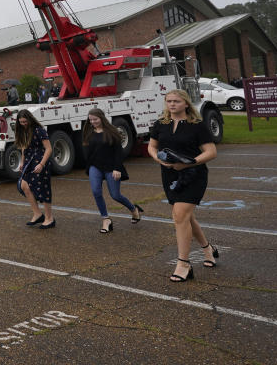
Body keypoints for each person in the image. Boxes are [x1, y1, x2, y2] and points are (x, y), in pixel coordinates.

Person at [147, 89, 218, 282]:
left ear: (186, 104)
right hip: (169, 175)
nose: (172, 104)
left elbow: (211, 152)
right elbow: (152, 146)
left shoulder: (197, 126)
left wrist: (190, 162)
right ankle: (207, 248)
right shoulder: (160, 124)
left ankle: (183, 264)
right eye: (169, 101)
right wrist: (158, 160)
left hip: (193, 174)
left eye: (176, 101)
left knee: (179, 215)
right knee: (185, 217)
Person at [82, 108, 143, 233]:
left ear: (102, 118)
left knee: (115, 195)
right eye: (90, 120)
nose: (92, 122)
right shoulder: (88, 131)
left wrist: (117, 168)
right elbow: (87, 150)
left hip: (111, 167)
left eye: (95, 119)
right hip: (95, 166)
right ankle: (106, 219)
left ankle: (133, 209)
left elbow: (118, 153)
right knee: (96, 192)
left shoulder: (112, 132)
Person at [15, 109, 54, 229]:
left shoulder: (39, 130)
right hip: (29, 161)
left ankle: (49, 218)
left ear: (30, 119)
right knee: (24, 185)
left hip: (40, 161)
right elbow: (23, 147)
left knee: (43, 188)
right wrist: (22, 161)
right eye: (21, 122)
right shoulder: (23, 131)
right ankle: (37, 214)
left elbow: (48, 149)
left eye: (25, 121)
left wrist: (41, 164)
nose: (23, 124)